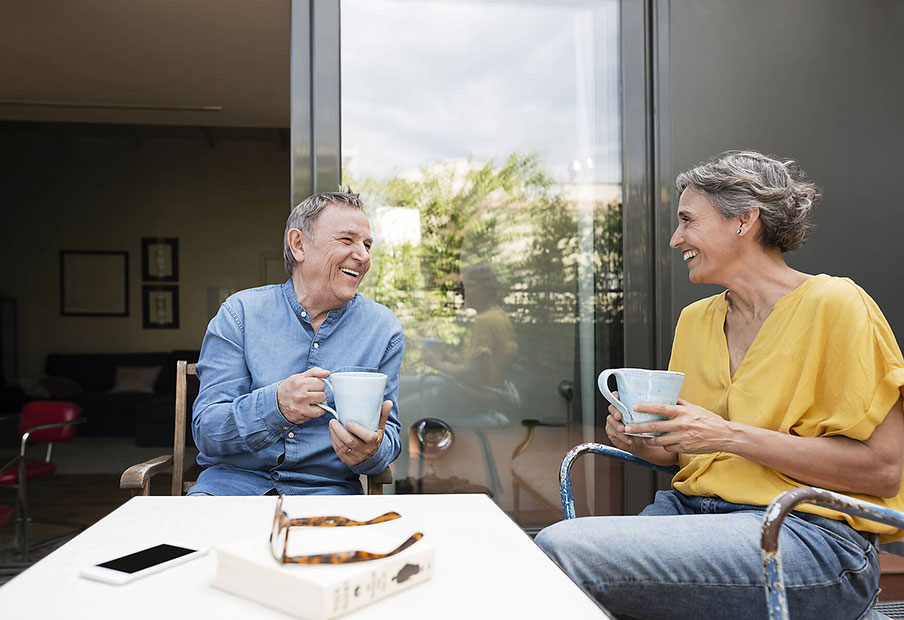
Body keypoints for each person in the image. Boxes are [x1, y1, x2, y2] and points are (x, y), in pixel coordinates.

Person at [535, 151, 904, 620]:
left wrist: (725, 434)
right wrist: (646, 440)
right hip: (691, 514)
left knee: (560, 549)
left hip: (804, 535)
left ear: (744, 220)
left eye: (688, 220)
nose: (675, 239)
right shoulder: (696, 320)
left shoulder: (837, 304)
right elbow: (686, 453)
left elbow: (881, 471)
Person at [187, 189, 404, 496]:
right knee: (196, 544)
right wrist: (275, 405)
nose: (364, 255)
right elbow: (208, 431)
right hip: (229, 489)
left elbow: (389, 434)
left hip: (327, 494)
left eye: (367, 245)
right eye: (347, 240)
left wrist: (371, 452)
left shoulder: (383, 330)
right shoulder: (240, 315)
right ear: (299, 244)